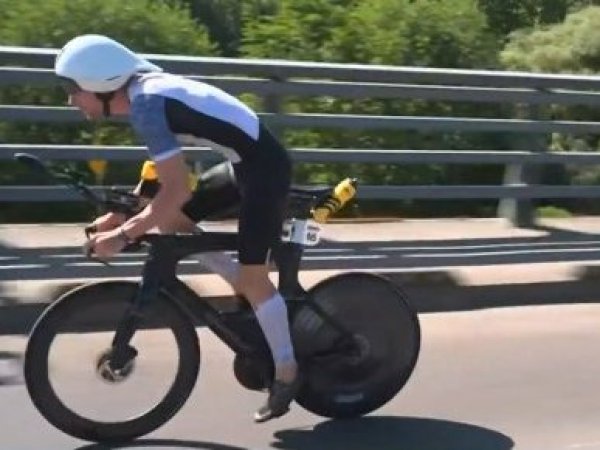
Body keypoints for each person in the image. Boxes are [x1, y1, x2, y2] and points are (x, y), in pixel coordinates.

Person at [55, 34, 301, 423]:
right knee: (171, 219)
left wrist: (124, 236)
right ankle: (241, 282)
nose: (70, 100)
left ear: (100, 85)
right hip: (241, 163)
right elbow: (160, 175)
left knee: (253, 279)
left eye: (72, 90)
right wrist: (122, 213)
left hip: (264, 172)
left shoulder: (147, 104)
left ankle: (287, 373)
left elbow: (176, 189)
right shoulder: (144, 95)